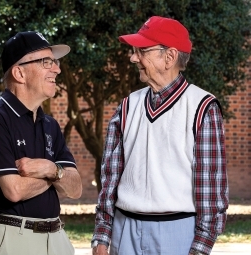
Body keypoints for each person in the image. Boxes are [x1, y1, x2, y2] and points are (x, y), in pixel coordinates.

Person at [91, 16, 228, 255]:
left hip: (179, 235)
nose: (133, 57)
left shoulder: (202, 107)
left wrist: (200, 248)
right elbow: (110, 177)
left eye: (141, 50)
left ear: (170, 57)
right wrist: (102, 234)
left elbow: (211, 188)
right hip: (124, 231)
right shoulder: (126, 107)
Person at [0, 31, 82, 255]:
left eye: (55, 62)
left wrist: (50, 169)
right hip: (13, 239)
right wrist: (57, 176)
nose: (57, 69)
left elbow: (76, 188)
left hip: (56, 239)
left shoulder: (50, 124)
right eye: (46, 62)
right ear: (19, 73)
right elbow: (14, 190)